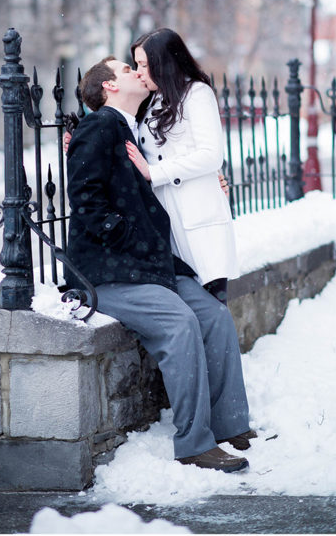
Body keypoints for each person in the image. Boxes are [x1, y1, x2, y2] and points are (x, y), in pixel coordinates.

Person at [65, 56, 255, 473]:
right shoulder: (99, 126)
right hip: (110, 273)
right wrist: (127, 240)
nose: (137, 73)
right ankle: (194, 444)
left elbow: (184, 163)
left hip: (152, 267)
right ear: (110, 87)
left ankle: (230, 424)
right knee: (180, 324)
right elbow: (85, 198)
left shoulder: (135, 130)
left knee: (214, 316)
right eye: (127, 70)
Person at [127, 28, 238, 304]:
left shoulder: (196, 94)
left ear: (162, 63)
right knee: (184, 305)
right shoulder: (150, 100)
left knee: (212, 306)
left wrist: (154, 173)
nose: (138, 71)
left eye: (143, 64)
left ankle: (220, 350)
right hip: (165, 219)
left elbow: (211, 155)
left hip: (198, 217)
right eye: (136, 64)